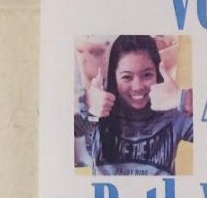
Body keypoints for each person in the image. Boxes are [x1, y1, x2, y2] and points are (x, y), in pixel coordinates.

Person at [75, 34, 192, 176]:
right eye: (126, 77)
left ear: (157, 74)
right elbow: (49, 136)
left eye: (147, 75)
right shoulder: (96, 114)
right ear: (114, 78)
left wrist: (183, 98)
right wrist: (84, 101)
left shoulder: (173, 115)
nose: (137, 86)